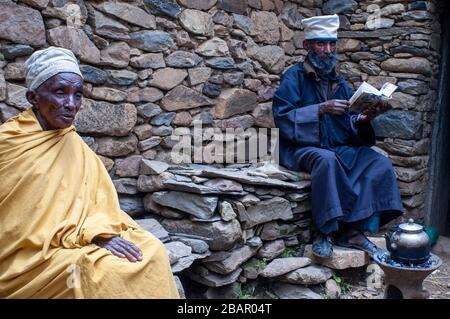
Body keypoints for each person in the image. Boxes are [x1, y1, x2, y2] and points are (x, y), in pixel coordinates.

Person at [0, 47, 180, 298]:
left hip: (85, 235)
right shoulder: (9, 144)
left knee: (151, 249)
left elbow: (98, 202)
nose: (71, 104)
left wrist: (100, 234)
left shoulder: (71, 142)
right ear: (33, 98)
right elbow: (19, 221)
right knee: (104, 270)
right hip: (31, 254)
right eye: (60, 92)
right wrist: (92, 239)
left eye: (77, 95)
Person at [272, 15, 404, 258]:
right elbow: (282, 116)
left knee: (378, 161)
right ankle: (325, 231)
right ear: (307, 46)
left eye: (331, 45)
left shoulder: (339, 81)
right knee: (327, 161)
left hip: (334, 146)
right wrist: (321, 109)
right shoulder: (294, 77)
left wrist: (361, 120)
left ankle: (353, 230)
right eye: (321, 44)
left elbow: (347, 124)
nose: (327, 50)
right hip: (299, 148)